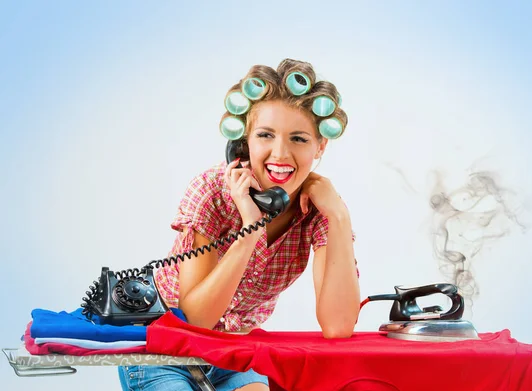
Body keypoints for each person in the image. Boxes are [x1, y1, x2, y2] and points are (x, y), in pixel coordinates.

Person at [118, 58, 360, 391]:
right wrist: (250, 228)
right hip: (165, 349)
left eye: (299, 139)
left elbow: (338, 325)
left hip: (234, 354)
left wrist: (339, 217)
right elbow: (198, 320)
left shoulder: (320, 209)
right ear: (244, 142)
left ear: (321, 145)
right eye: (265, 135)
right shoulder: (210, 191)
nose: (280, 154)